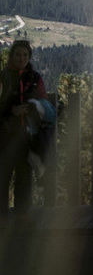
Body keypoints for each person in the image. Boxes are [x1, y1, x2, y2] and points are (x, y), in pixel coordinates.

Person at [0, 39, 47, 214]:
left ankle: (22, 218)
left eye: (25, 55)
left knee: (24, 177)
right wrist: (12, 111)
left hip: (27, 137)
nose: (21, 58)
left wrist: (32, 108)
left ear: (29, 57)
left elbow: (43, 103)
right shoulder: (3, 77)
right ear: (11, 56)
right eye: (18, 54)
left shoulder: (35, 78)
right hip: (5, 137)